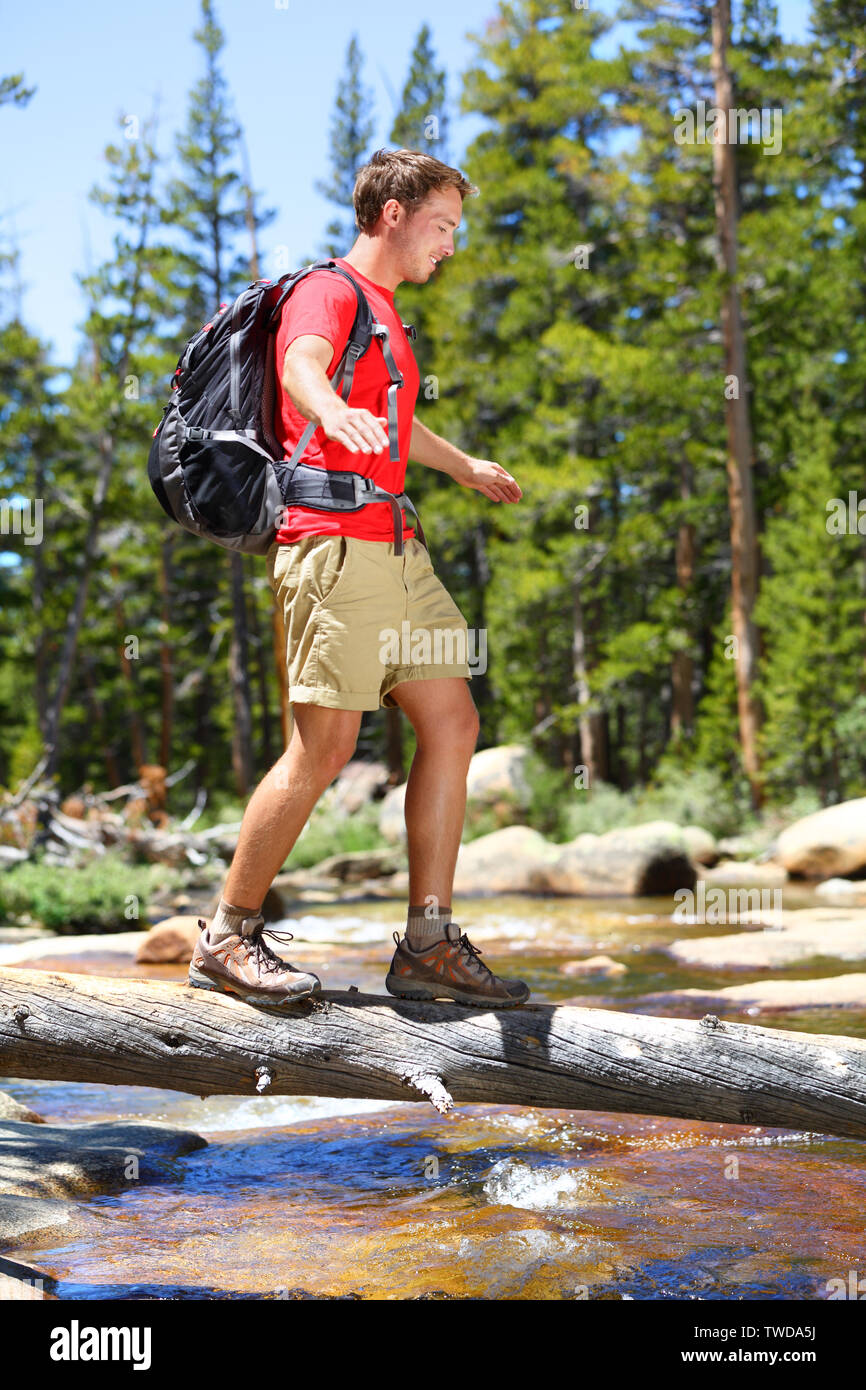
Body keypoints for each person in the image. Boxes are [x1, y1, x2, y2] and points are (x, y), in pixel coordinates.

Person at [189, 148, 529, 1010]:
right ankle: (227, 936)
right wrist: (329, 406)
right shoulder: (330, 289)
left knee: (453, 718)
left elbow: (397, 425)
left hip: (396, 546)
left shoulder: (388, 314)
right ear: (393, 214)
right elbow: (303, 364)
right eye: (443, 225)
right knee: (326, 747)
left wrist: (462, 466)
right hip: (331, 545)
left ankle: (427, 942)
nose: (451, 245)